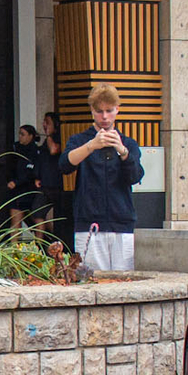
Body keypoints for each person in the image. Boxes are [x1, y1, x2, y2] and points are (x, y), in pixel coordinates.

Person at [65, 84, 144, 273]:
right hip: (89, 222)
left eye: (109, 111)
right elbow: (65, 165)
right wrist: (91, 146)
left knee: (125, 281)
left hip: (122, 223)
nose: (105, 117)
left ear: (117, 109)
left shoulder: (128, 143)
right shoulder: (80, 140)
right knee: (92, 280)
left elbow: (135, 176)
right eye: (99, 112)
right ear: (92, 111)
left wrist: (122, 151)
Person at [0, 124, 42, 229]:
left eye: (23, 134)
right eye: (19, 134)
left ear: (31, 136)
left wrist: (17, 182)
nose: (20, 137)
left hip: (29, 190)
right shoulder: (15, 148)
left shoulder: (35, 152)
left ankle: (42, 242)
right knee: (15, 222)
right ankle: (15, 244)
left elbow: (31, 172)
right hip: (16, 191)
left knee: (38, 219)